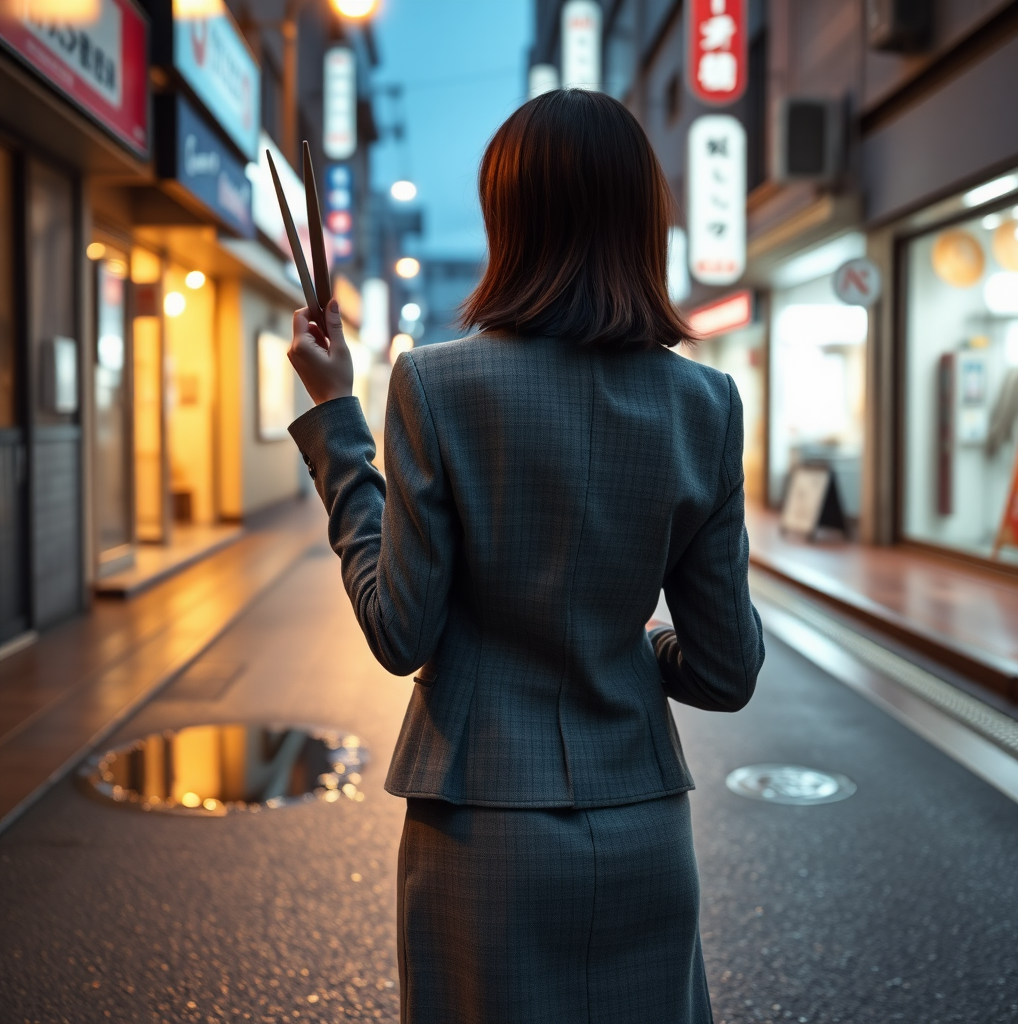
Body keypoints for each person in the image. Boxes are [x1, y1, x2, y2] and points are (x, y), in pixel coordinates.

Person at [286, 88, 764, 1024]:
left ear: (509, 219)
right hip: (645, 824)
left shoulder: (435, 383)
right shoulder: (706, 406)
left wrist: (338, 422)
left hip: (480, 826)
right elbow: (724, 669)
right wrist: (627, 648)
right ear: (644, 221)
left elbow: (399, 629)